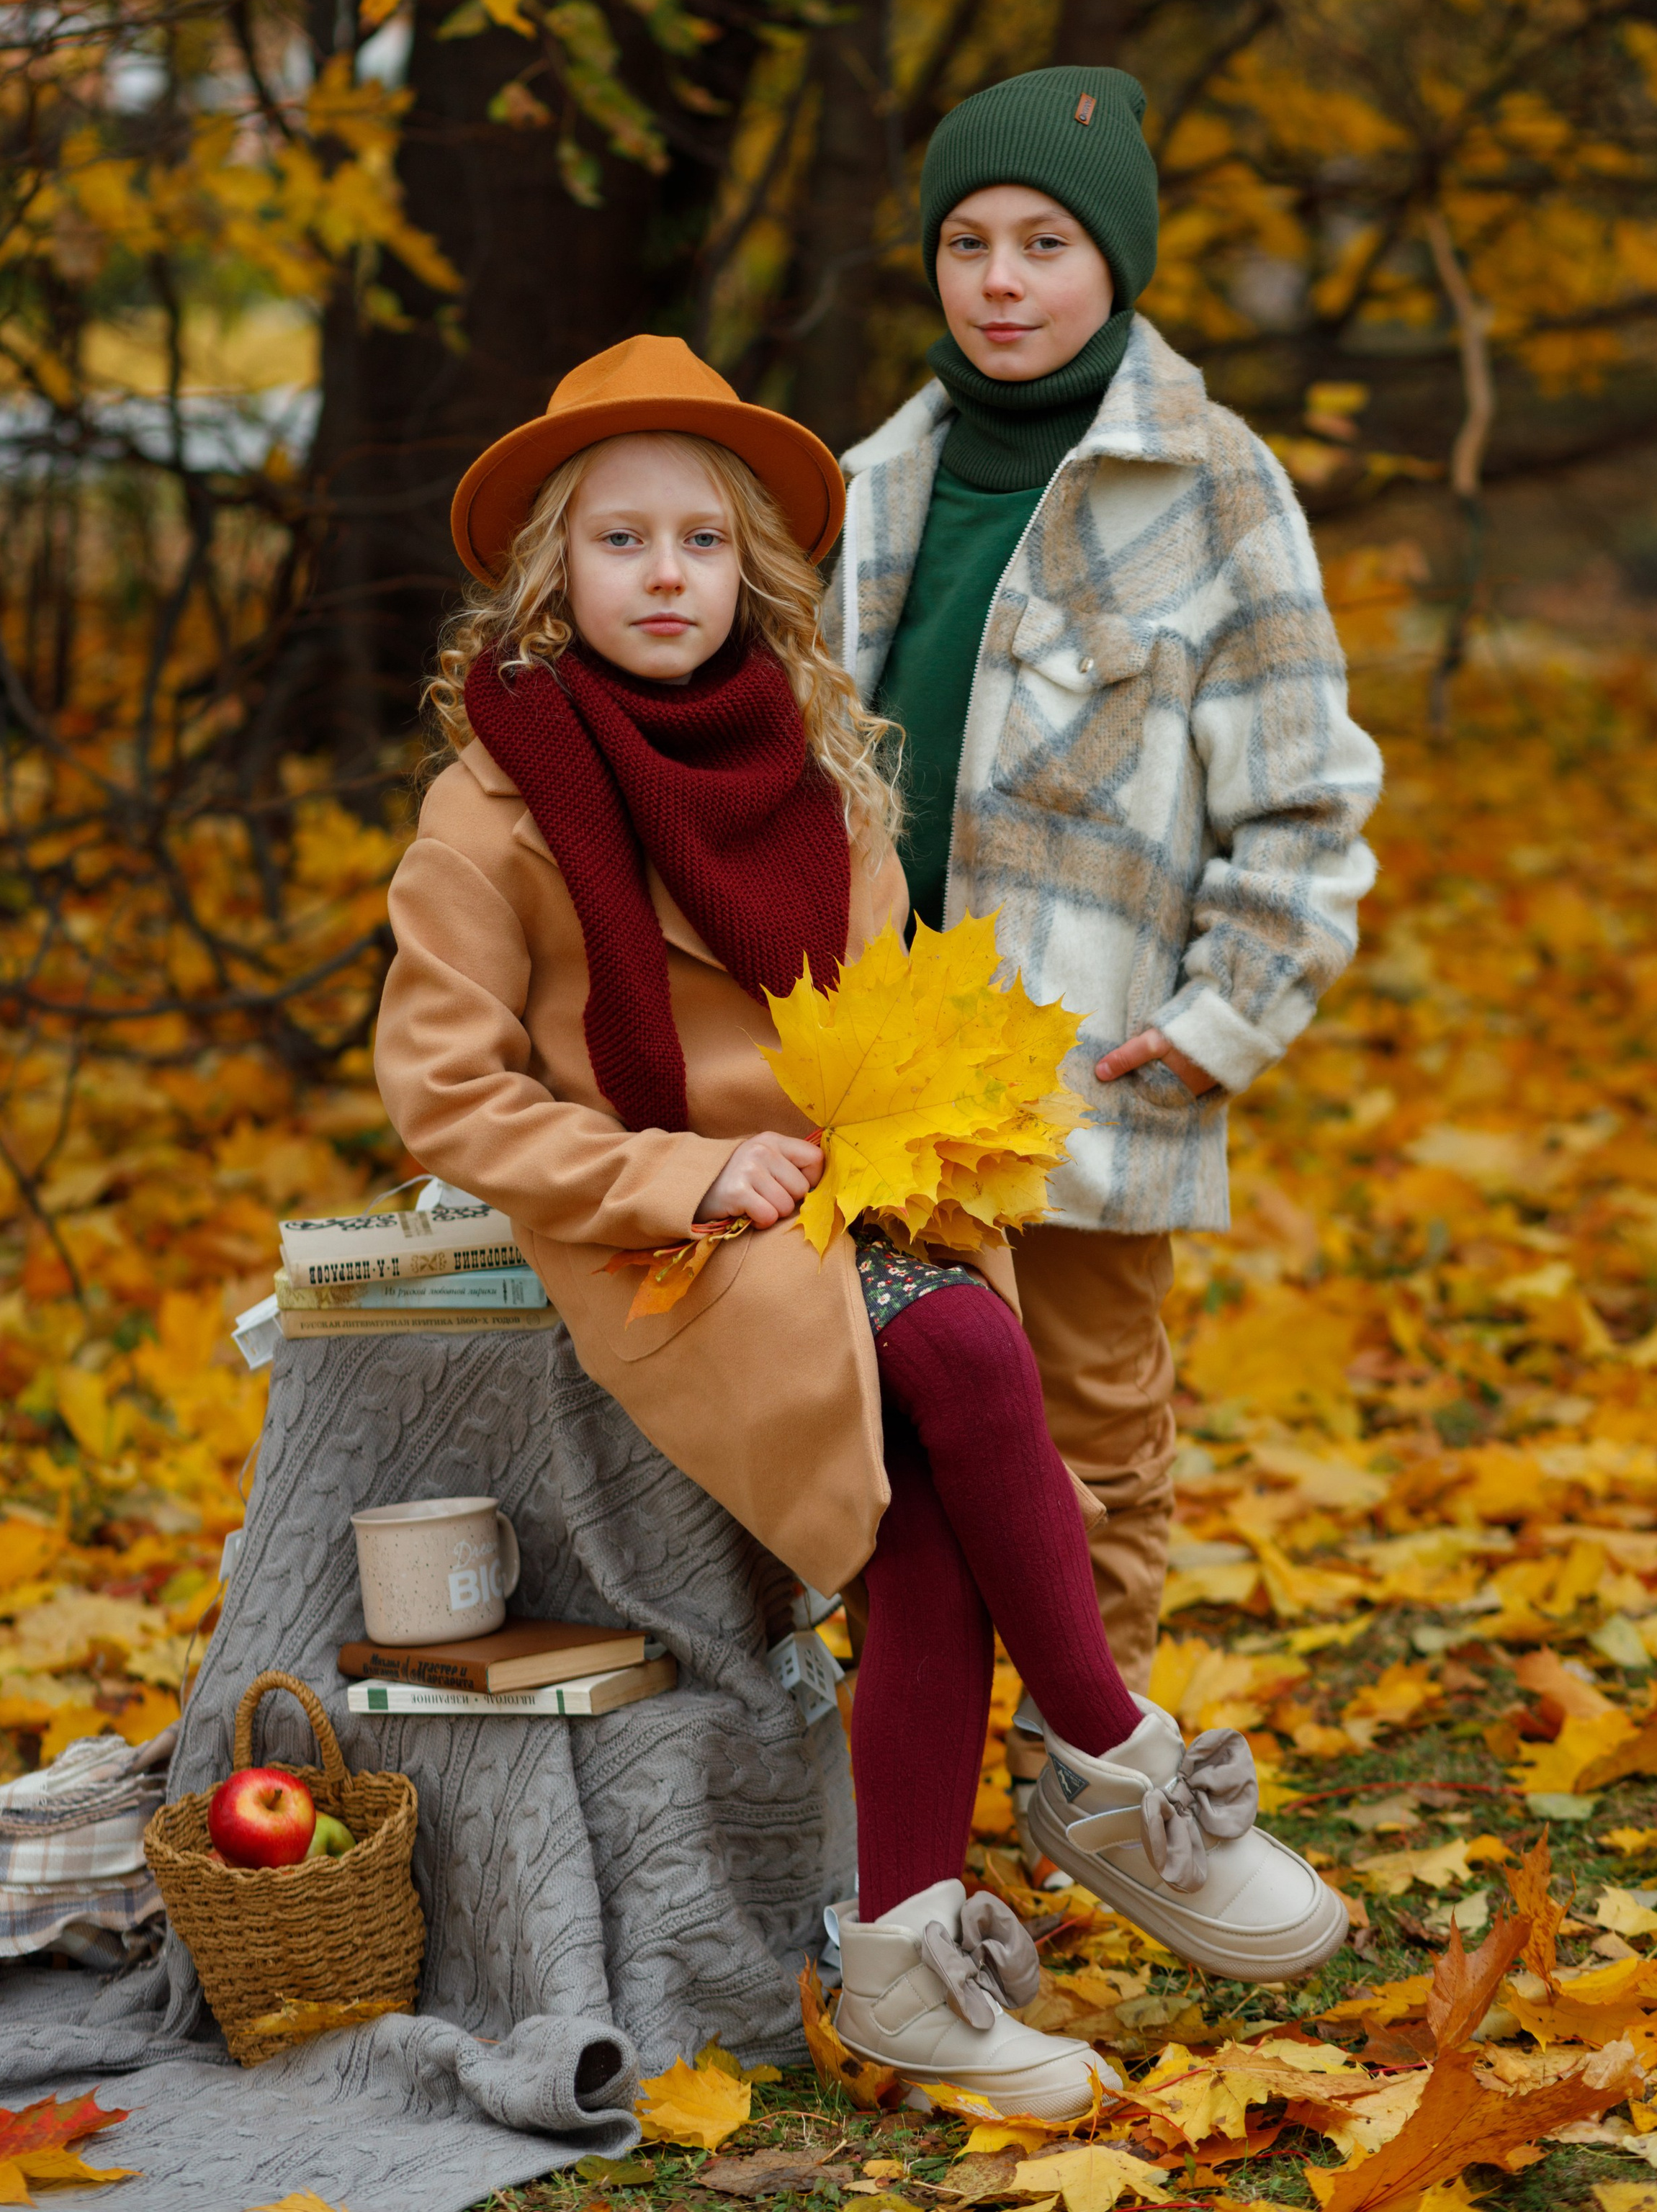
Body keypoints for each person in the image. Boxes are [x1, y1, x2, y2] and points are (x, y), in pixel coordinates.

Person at [372, 335, 1349, 2111]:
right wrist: (685, 1174)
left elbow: (879, 1030)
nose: (663, 577)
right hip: (647, 1223)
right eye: (618, 542)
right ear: (548, 573)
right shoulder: (490, 806)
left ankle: (904, 1954)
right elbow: (447, 1097)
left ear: (751, 568)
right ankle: (1108, 1757)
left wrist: (901, 1154)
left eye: (698, 542)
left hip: (848, 1210)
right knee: (968, 1344)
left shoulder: (818, 777)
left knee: (933, 1510)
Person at [824, 66, 1383, 1772]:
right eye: (969, 242)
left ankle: (1092, 1780)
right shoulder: (865, 488)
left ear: (1112, 265)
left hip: (1081, 1070)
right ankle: (887, 1802)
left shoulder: (1207, 488)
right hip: (867, 1079)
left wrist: (1218, 1025)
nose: (1001, 281)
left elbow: (1304, 801)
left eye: (1045, 245)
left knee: (1081, 1445)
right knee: (865, 1447)